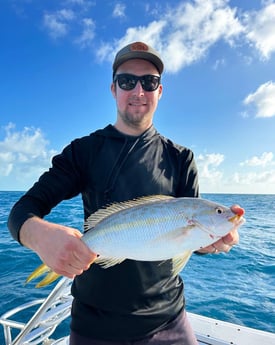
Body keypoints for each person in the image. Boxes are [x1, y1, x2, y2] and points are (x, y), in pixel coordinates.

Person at [8, 41, 240, 345]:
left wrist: (210, 242)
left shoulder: (181, 159)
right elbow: (22, 210)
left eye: (149, 81)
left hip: (169, 320)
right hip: (95, 324)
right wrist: (40, 236)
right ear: (113, 89)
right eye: (127, 81)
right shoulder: (84, 151)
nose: (138, 91)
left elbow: (186, 242)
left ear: (160, 91)